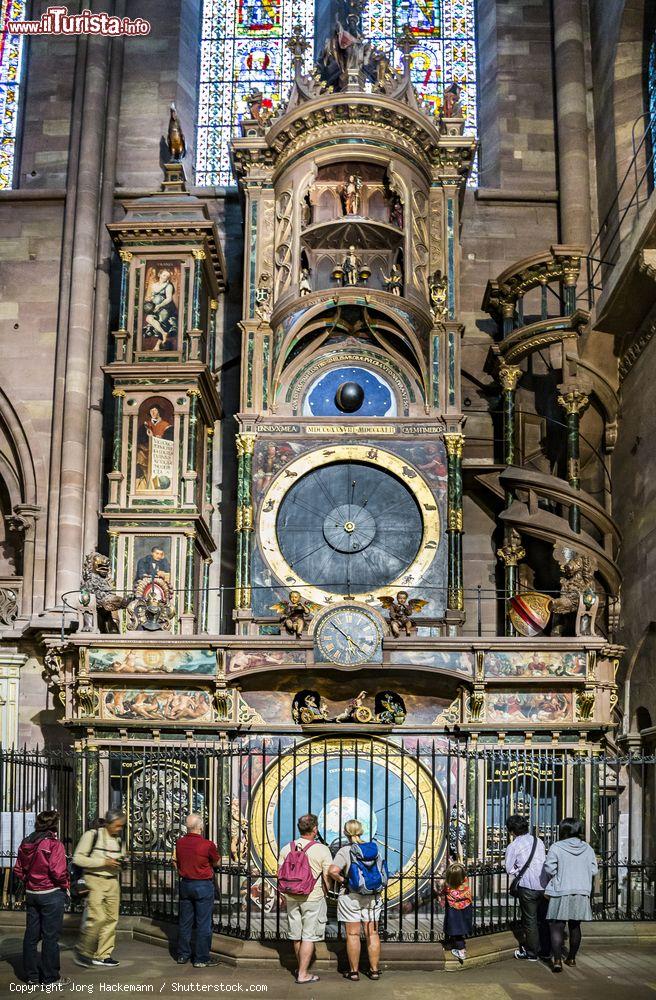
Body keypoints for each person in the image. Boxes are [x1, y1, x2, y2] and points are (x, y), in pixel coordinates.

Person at [14, 810, 71, 987]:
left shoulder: (26, 842)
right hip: (51, 893)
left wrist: (30, 881)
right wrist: (66, 884)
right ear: (54, 825)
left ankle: (31, 976)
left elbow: (18, 869)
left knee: (31, 936)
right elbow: (57, 871)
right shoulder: (54, 844)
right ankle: (50, 978)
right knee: (50, 937)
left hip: (32, 894)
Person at [277, 814, 332, 985]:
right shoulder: (322, 849)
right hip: (312, 896)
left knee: (296, 935)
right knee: (308, 935)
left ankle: (301, 967)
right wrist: (325, 891)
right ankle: (303, 973)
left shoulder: (287, 848)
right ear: (315, 829)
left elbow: (280, 874)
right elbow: (328, 875)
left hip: (291, 895)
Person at [328, 819, 384, 981]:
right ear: (362, 831)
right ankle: (374, 970)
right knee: (372, 933)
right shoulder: (373, 849)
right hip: (372, 896)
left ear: (345, 833)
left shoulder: (345, 851)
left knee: (353, 934)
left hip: (350, 896)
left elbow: (333, 871)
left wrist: (343, 880)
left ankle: (354, 972)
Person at [542, 817, 598, 973]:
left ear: (564, 830)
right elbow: (594, 870)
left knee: (556, 926)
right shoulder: (588, 848)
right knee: (575, 926)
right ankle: (572, 958)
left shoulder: (556, 847)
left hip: (561, 890)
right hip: (581, 891)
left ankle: (557, 960)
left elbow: (549, 868)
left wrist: (560, 874)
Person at [73, 808, 126, 969]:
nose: (119, 829)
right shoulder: (92, 836)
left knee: (111, 919)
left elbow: (122, 857)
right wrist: (103, 862)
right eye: (117, 826)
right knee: (98, 917)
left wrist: (121, 864)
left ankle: (103, 955)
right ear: (108, 823)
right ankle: (84, 951)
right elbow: (78, 858)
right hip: (94, 880)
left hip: (112, 881)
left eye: (121, 826)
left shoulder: (119, 840)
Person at [173, 814, 220, 968]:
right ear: (200, 827)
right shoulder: (207, 845)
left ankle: (183, 955)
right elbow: (217, 862)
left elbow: (176, 861)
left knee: (185, 922)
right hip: (202, 885)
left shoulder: (179, 843)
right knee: (203, 923)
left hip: (185, 884)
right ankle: (201, 958)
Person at [505, 813, 550, 962]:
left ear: (511, 831)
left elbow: (509, 868)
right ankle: (546, 950)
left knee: (530, 920)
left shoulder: (514, 845)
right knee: (543, 919)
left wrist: (520, 870)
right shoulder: (539, 841)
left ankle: (531, 952)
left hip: (527, 886)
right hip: (543, 885)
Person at [439, 861, 472, 964]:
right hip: (466, 907)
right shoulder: (465, 882)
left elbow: (442, 892)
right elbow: (459, 873)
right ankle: (452, 943)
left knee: (455, 929)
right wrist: (454, 865)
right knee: (460, 928)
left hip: (454, 909)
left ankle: (461, 951)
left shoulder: (448, 887)